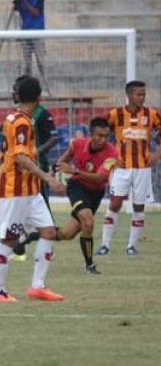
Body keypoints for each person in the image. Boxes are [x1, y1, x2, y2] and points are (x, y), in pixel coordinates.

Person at [0, 77, 65, 302]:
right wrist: (48, 178)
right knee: (10, 239)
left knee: (49, 231)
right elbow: (21, 156)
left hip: (30, 191)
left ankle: (37, 287)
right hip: (16, 190)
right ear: (39, 98)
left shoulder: (16, 118)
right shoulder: (21, 121)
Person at [96, 80, 161, 256]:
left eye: (143, 94)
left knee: (139, 206)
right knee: (115, 203)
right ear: (129, 95)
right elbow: (99, 134)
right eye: (138, 94)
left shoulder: (152, 114)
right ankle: (105, 245)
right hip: (121, 167)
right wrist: (109, 157)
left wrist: (156, 155)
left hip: (143, 168)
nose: (141, 97)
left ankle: (131, 246)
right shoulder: (115, 114)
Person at [54, 117, 119, 274]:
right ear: (90, 134)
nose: (104, 140)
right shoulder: (77, 143)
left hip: (96, 192)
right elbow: (61, 162)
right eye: (100, 135)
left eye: (107, 136)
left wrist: (74, 170)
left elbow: (100, 178)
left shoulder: (112, 153)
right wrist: (54, 176)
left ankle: (39, 234)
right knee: (88, 222)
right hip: (77, 186)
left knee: (67, 233)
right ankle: (90, 265)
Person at [10, 74, 58, 261]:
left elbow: (54, 137)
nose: (13, 93)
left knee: (41, 203)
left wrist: (36, 152)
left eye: (16, 89)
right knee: (20, 203)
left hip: (37, 165)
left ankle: (46, 246)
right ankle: (21, 238)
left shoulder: (41, 113)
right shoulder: (14, 116)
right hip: (16, 168)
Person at [17, 0, 45, 75]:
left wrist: (24, 0)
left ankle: (43, 86)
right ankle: (27, 87)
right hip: (25, 32)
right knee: (27, 64)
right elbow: (19, 14)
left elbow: (35, 12)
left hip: (37, 32)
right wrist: (18, 1)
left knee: (41, 62)